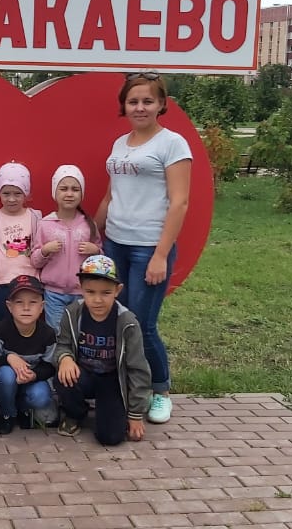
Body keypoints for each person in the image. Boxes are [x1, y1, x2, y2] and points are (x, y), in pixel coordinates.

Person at [94, 72, 191, 424]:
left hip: (148, 247)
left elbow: (179, 203)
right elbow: (111, 195)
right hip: (114, 243)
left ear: (161, 104)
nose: (140, 107)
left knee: (141, 325)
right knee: (115, 320)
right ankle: (129, 386)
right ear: (124, 105)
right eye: (133, 101)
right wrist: (93, 234)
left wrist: (160, 255)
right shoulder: (121, 144)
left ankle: (160, 391)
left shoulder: (173, 144)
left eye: (147, 101)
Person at [52, 255, 152, 446]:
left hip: (112, 381)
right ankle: (75, 413)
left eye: (106, 293)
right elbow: (62, 344)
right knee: (63, 376)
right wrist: (65, 358)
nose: (97, 300)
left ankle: (112, 411)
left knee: (111, 438)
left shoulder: (127, 322)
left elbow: (138, 369)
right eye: (90, 292)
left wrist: (135, 414)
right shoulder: (72, 313)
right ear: (81, 289)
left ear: (117, 290)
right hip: (83, 375)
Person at [30, 165, 101, 329]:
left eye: (75, 189)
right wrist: (45, 250)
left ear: (81, 194)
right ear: (55, 192)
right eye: (63, 189)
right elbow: (35, 261)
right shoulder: (45, 224)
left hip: (83, 292)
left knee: (81, 332)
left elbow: (101, 259)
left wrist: (95, 251)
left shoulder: (88, 224)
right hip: (54, 294)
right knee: (57, 332)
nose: (69, 194)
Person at [0, 275, 58, 434]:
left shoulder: (47, 334)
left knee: (41, 396)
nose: (26, 308)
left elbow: (50, 367)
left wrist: (34, 375)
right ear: (9, 306)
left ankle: (24, 409)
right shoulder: (1, 329)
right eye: (19, 302)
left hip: (31, 381)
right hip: (5, 383)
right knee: (6, 375)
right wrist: (9, 358)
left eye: (33, 302)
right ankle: (7, 413)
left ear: (41, 306)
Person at [0, 162, 42, 327]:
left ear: (25, 193)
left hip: (30, 283)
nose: (11, 199)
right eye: (6, 193)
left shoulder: (35, 217)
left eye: (17, 193)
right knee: (2, 326)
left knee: (29, 326)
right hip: (1, 284)